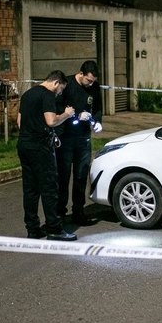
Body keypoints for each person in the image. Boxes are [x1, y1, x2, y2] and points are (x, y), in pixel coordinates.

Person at [17, 70, 77, 241]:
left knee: (30, 189)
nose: (60, 93)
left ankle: (33, 229)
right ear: (57, 83)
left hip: (24, 144)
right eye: (61, 90)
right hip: (40, 147)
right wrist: (66, 114)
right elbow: (51, 121)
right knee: (49, 188)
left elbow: (19, 122)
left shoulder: (27, 94)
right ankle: (54, 229)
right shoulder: (47, 95)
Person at [56, 60, 104, 225]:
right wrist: (75, 117)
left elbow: (97, 107)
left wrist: (97, 121)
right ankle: (60, 213)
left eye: (93, 81)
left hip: (84, 137)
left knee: (81, 175)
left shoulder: (94, 87)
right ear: (81, 74)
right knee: (63, 176)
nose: (90, 84)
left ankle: (78, 211)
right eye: (88, 80)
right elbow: (58, 108)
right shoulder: (67, 85)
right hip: (66, 136)